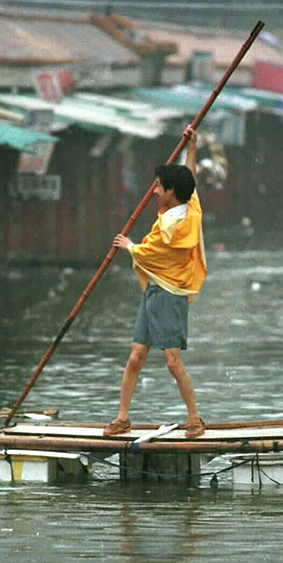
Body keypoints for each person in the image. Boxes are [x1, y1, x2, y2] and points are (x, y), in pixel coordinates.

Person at [104, 125, 208, 439]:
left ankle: (195, 418)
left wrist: (130, 247)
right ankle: (122, 417)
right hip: (153, 291)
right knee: (136, 355)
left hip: (170, 294)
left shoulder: (178, 223)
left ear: (172, 193)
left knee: (172, 362)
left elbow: (152, 253)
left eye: (159, 187)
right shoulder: (186, 203)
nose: (154, 191)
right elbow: (188, 178)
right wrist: (192, 147)